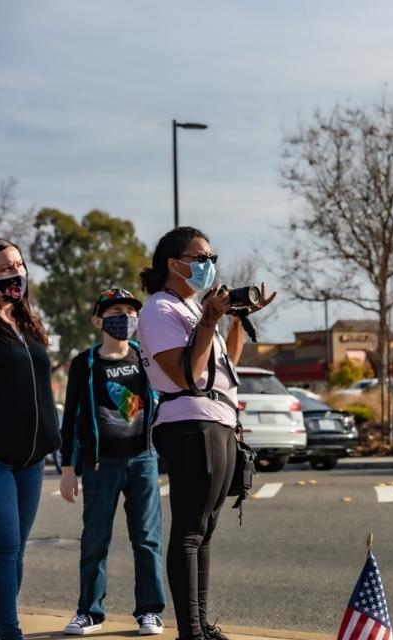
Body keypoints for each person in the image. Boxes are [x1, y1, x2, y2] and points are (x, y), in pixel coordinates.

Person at [137, 227, 274, 640]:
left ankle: (200, 624)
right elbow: (186, 374)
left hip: (217, 420)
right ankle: (190, 631)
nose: (208, 265)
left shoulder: (193, 310)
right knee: (190, 530)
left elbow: (224, 364)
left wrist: (233, 319)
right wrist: (210, 318)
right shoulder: (161, 309)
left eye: (211, 257)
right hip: (189, 422)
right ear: (172, 264)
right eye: (199, 258)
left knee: (206, 530)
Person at [58, 288, 165, 635]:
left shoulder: (145, 357)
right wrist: (68, 467)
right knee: (94, 541)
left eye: (130, 311)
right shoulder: (85, 364)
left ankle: (149, 610)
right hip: (100, 465)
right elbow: (71, 418)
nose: (125, 317)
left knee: (147, 540)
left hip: (143, 460)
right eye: (115, 311)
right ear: (98, 320)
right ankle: (90, 612)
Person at [0, 238, 62, 640]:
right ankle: (9, 631)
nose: (15, 273)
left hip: (32, 460)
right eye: (4, 268)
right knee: (3, 549)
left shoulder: (26, 323)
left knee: (17, 550)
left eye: (18, 265)